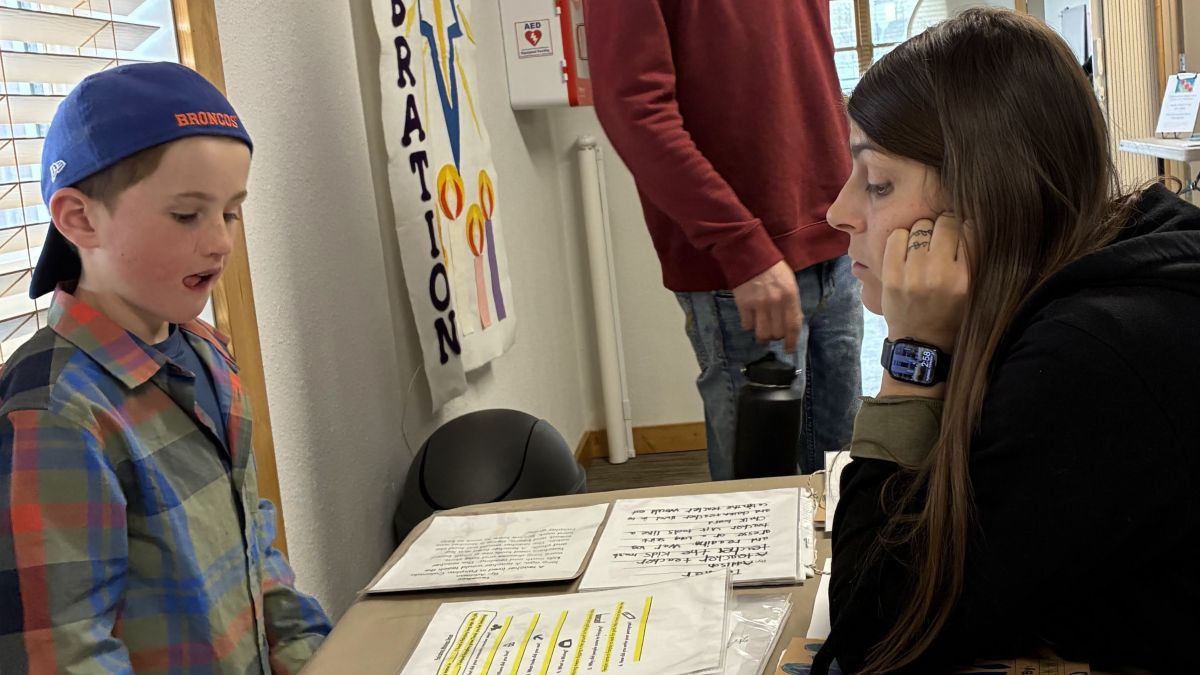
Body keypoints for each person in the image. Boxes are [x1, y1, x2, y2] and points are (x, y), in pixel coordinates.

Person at [818, 9, 1200, 674]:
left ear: (984, 194)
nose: (839, 212)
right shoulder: (1105, 271)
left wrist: (910, 358)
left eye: (877, 182)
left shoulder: (1092, 360)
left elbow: (874, 629)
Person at [0, 63, 331, 673]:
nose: (222, 241)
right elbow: (65, 653)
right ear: (78, 218)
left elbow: (257, 549)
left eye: (231, 212)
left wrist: (316, 657)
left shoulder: (207, 353)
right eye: (187, 215)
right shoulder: (52, 413)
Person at [585, 1, 864, 479]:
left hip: (835, 240)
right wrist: (743, 249)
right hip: (747, 271)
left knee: (840, 476)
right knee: (759, 502)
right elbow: (634, 108)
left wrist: (858, 204)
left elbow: (807, 73)